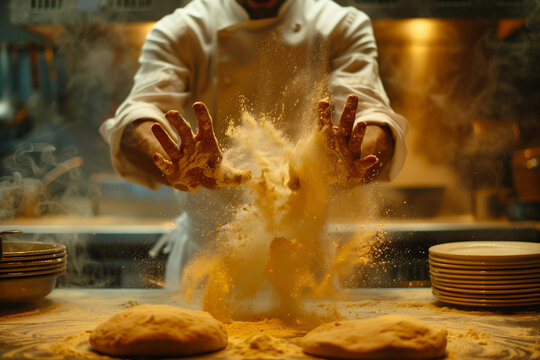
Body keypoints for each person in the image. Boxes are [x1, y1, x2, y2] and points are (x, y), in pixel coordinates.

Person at [99, 0, 408, 287]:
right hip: (207, 261)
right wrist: (172, 163)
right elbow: (136, 118)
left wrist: (355, 157)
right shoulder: (182, 30)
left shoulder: (341, 25)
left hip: (304, 261)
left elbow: (373, 116)